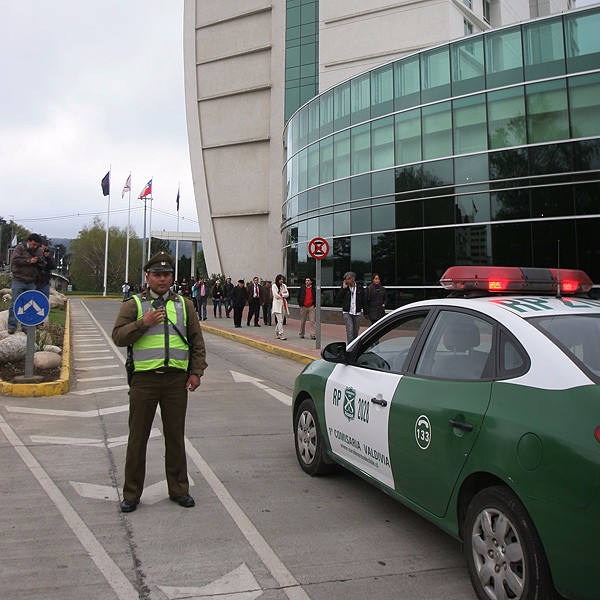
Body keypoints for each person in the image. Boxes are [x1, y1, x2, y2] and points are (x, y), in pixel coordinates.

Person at [111, 251, 207, 513]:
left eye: (166, 274)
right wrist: (144, 323)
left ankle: (179, 489)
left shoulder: (185, 305)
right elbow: (118, 336)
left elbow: (197, 342)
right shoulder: (133, 305)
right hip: (144, 381)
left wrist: (196, 372)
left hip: (176, 381)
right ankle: (131, 494)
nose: (162, 279)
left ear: (172, 277)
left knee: (175, 437)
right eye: (157, 275)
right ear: (147, 277)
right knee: (137, 438)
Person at [7, 233, 44, 334]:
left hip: (31, 280)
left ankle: (26, 326)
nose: (35, 247)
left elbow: (41, 263)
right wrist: (29, 261)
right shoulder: (20, 248)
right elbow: (15, 261)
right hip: (18, 279)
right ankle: (11, 325)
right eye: (33, 244)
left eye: (37, 245)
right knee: (15, 302)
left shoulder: (39, 251)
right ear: (29, 241)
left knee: (29, 304)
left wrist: (41, 262)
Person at [336, 271, 367, 344]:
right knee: (350, 330)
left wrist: (366, 312)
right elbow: (338, 298)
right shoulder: (345, 288)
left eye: (348, 279)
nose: (347, 281)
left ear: (353, 279)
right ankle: (350, 348)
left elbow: (364, 301)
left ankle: (354, 346)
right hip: (347, 312)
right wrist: (343, 288)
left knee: (355, 331)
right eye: (346, 279)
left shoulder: (360, 288)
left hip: (357, 312)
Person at [272, 274, 289, 340]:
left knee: (281, 320)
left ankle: (276, 332)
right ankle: (281, 334)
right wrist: (282, 294)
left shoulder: (284, 286)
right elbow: (276, 295)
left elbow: (287, 294)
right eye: (280, 279)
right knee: (280, 320)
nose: (281, 280)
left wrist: (281, 294)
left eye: (282, 279)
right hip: (277, 305)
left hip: (283, 304)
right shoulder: (274, 286)